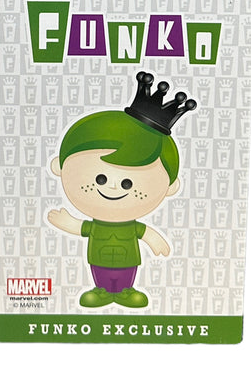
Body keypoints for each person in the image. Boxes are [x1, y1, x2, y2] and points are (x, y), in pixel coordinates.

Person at [47, 71, 195, 308]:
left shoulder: (133, 227)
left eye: (128, 183)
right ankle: (101, 290)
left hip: (128, 260)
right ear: (60, 167)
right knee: (100, 273)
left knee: (126, 276)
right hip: (99, 259)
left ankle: (127, 290)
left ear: (170, 186)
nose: (114, 186)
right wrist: (68, 223)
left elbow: (144, 232)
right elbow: (83, 228)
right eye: (101, 178)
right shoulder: (96, 225)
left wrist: (153, 238)